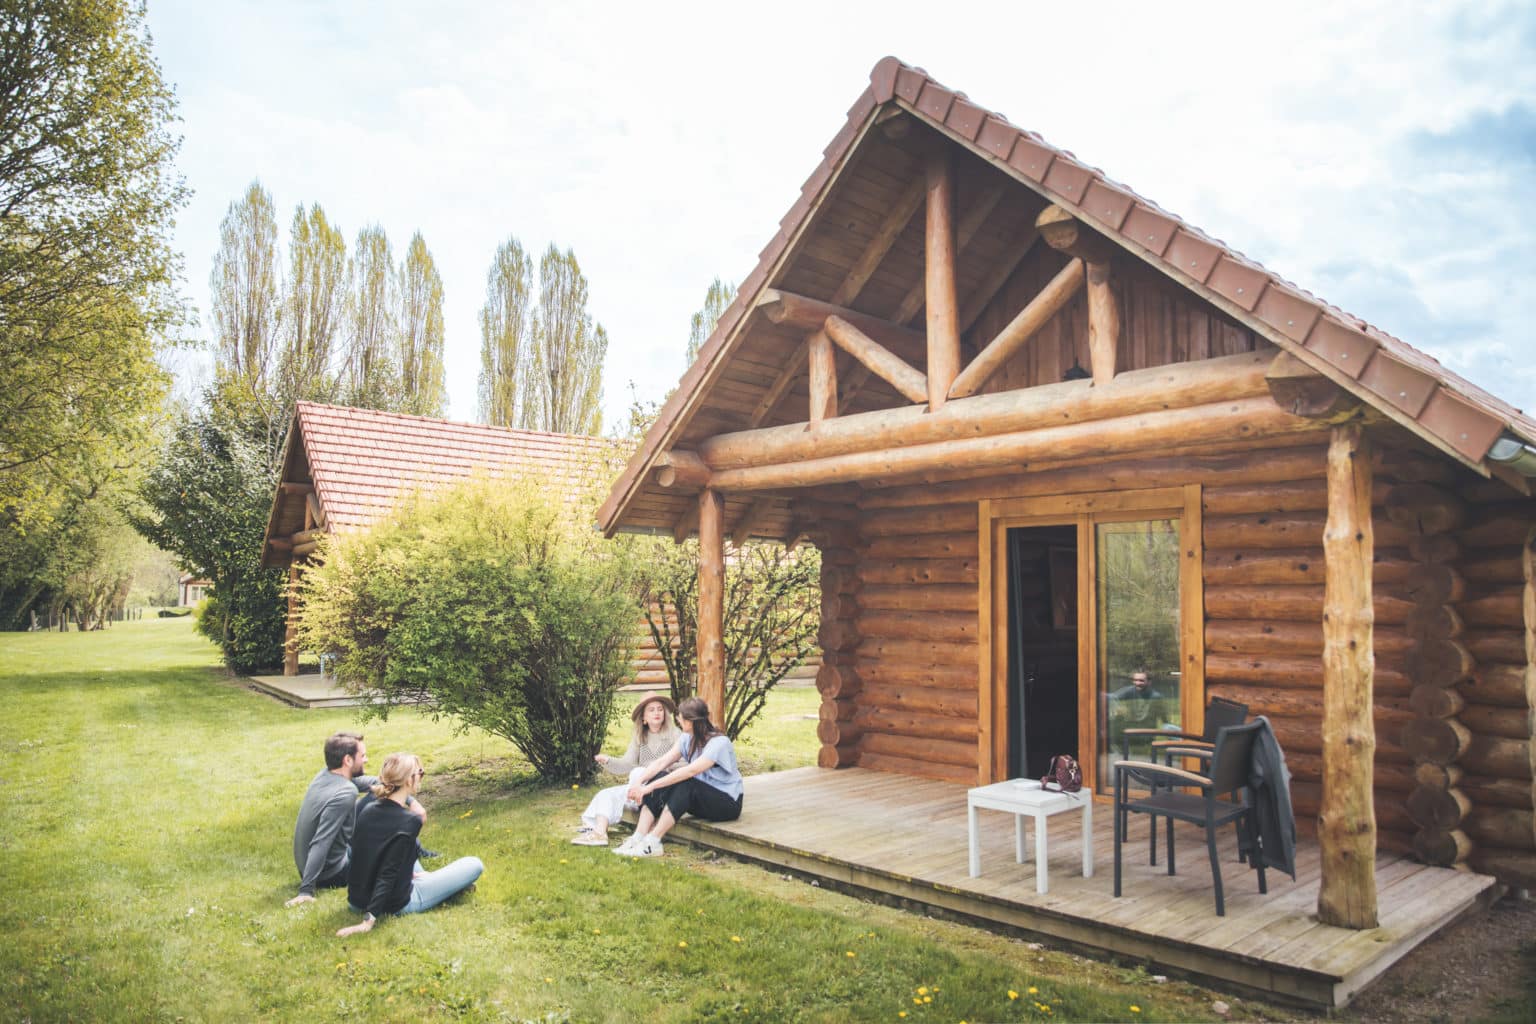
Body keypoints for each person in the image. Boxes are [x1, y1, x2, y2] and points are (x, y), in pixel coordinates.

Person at [336, 753, 483, 937]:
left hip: (357, 900)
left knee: (403, 851)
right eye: (420, 773)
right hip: (395, 903)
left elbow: (364, 857)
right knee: (474, 864)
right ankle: (441, 885)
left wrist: (412, 875)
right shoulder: (410, 820)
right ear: (408, 780)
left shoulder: (367, 809)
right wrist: (369, 920)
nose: (421, 777)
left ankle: (434, 882)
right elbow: (388, 872)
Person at [286, 731, 425, 907]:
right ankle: (418, 871)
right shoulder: (345, 793)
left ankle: (418, 850)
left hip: (322, 861)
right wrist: (306, 890)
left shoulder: (326, 775)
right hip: (331, 873)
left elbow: (380, 785)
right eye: (362, 756)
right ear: (348, 760)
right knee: (385, 825)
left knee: (378, 796)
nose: (366, 760)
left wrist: (411, 801)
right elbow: (321, 841)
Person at [613, 697, 742, 858]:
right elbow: (662, 762)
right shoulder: (687, 738)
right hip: (701, 800)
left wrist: (649, 787)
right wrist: (639, 783)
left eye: (680, 717)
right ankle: (638, 837)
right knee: (660, 775)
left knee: (686, 783)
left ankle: (653, 842)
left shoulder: (719, 743)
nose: (677, 720)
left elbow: (689, 772)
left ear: (690, 721)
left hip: (727, 804)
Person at [572, 695, 680, 846]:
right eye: (651, 710)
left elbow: (684, 764)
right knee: (606, 794)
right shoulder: (640, 736)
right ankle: (600, 834)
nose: (657, 713)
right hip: (639, 785)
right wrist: (608, 761)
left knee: (638, 772)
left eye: (660, 709)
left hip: (663, 787)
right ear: (643, 717)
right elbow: (627, 764)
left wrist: (664, 768)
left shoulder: (675, 734)